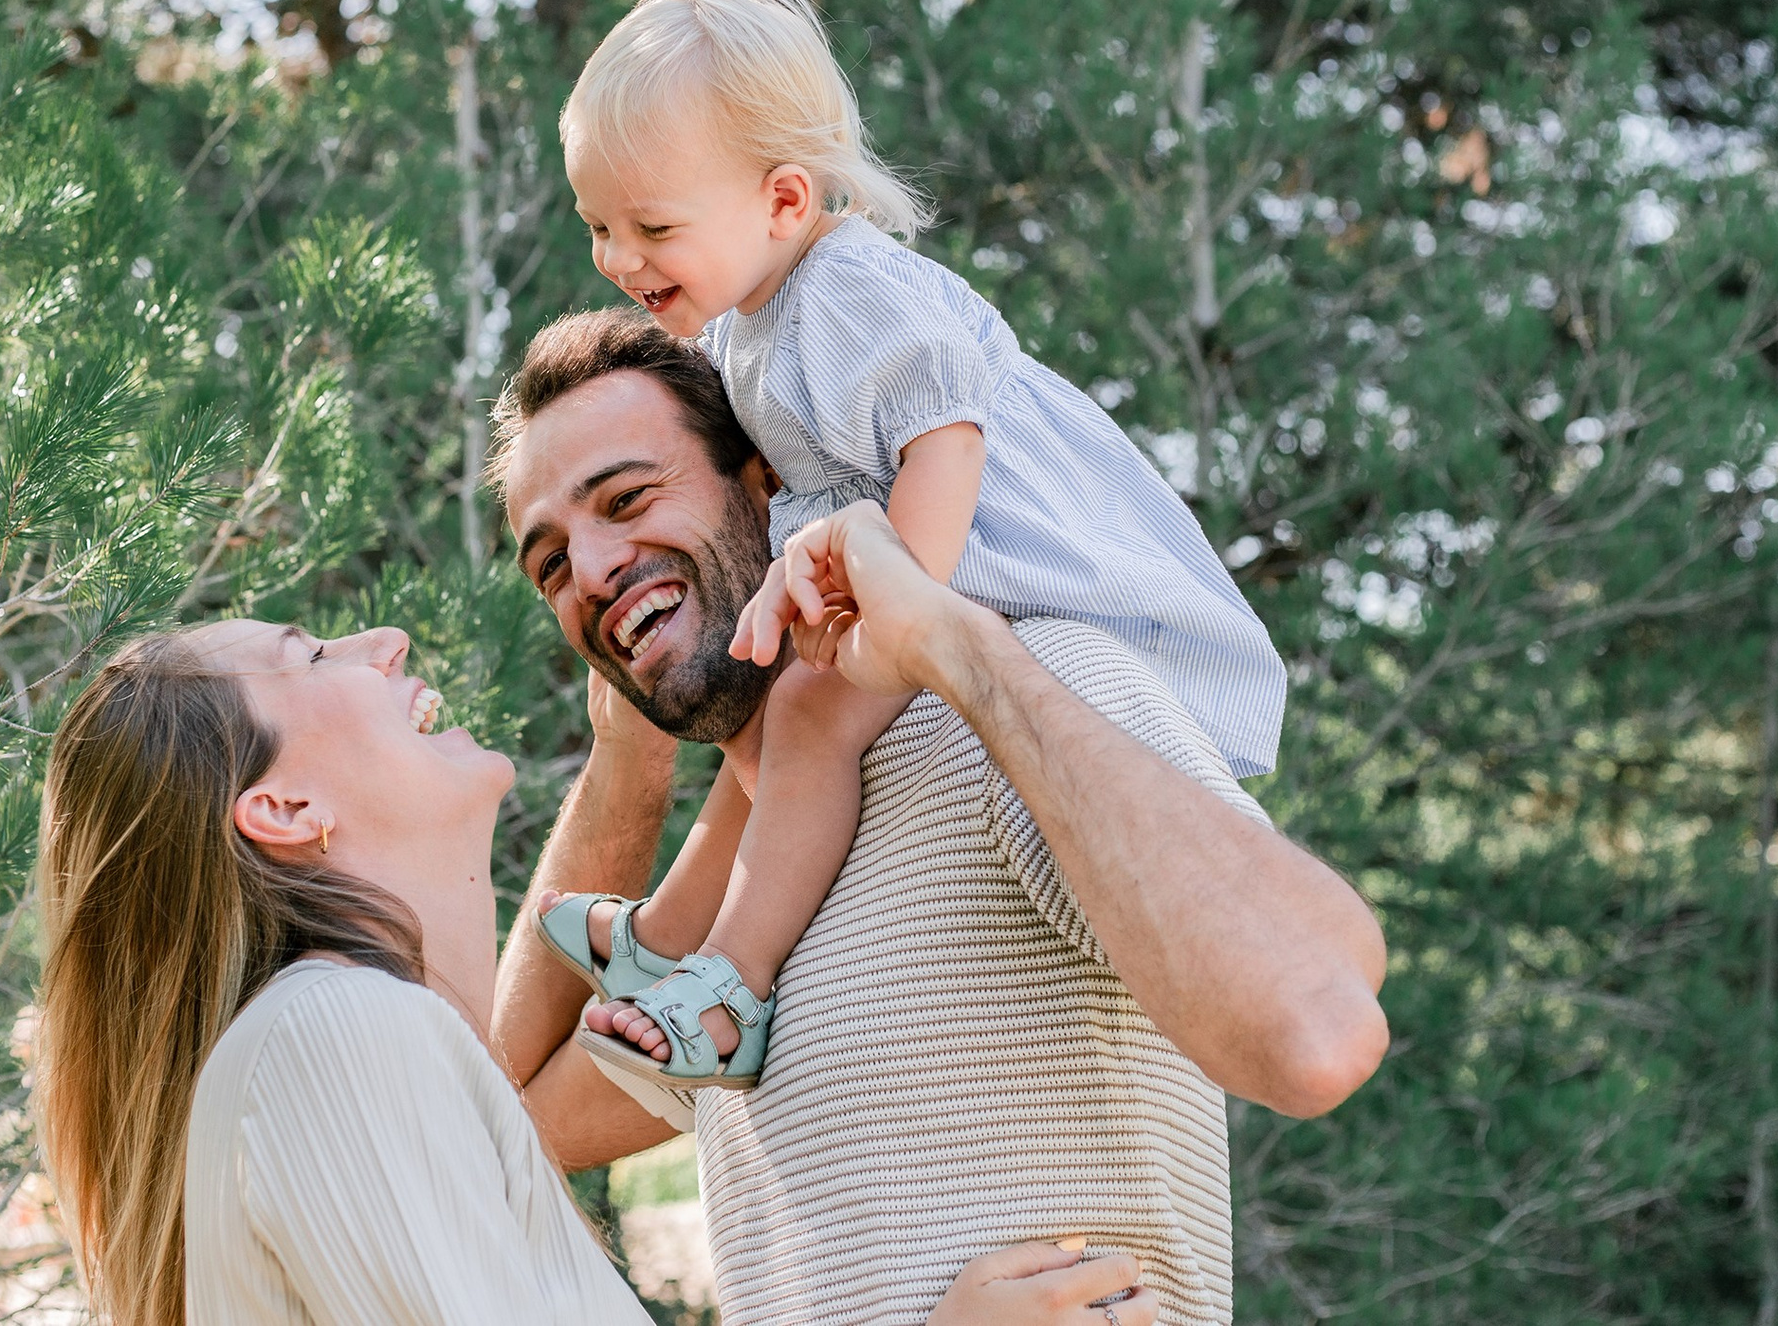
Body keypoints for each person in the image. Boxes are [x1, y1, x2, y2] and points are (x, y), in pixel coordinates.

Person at [490, 310, 1389, 1326]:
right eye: (553, 566)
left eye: (627, 499)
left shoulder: (1021, 703)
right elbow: (496, 1130)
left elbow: (1317, 1025)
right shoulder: (737, 913)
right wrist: (626, 759)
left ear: (769, 484)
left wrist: (956, 647)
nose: (596, 568)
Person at [542, 0, 1288, 1096]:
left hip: (1015, 579)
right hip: (917, 576)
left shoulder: (847, 289)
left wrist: (906, 604)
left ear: (784, 200)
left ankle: (732, 985)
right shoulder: (747, 316)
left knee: (804, 718)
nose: (618, 258)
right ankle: (672, 936)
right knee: (771, 722)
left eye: (650, 224)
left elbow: (946, 433)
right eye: (596, 223)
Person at [30, 618, 1179, 1326]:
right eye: (309, 655)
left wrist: (702, 754)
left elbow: (517, 1085)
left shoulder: (330, 1044)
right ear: (282, 809)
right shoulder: (334, 1034)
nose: (384, 642)